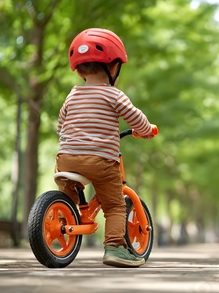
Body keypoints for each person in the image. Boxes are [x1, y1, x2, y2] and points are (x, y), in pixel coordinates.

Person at [55, 28, 156, 267]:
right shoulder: (114, 95)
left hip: (66, 158)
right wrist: (147, 130)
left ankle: (59, 223)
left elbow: (60, 125)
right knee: (114, 205)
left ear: (78, 70)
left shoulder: (72, 95)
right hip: (100, 161)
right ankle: (115, 248)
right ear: (113, 67)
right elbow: (135, 117)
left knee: (68, 196)